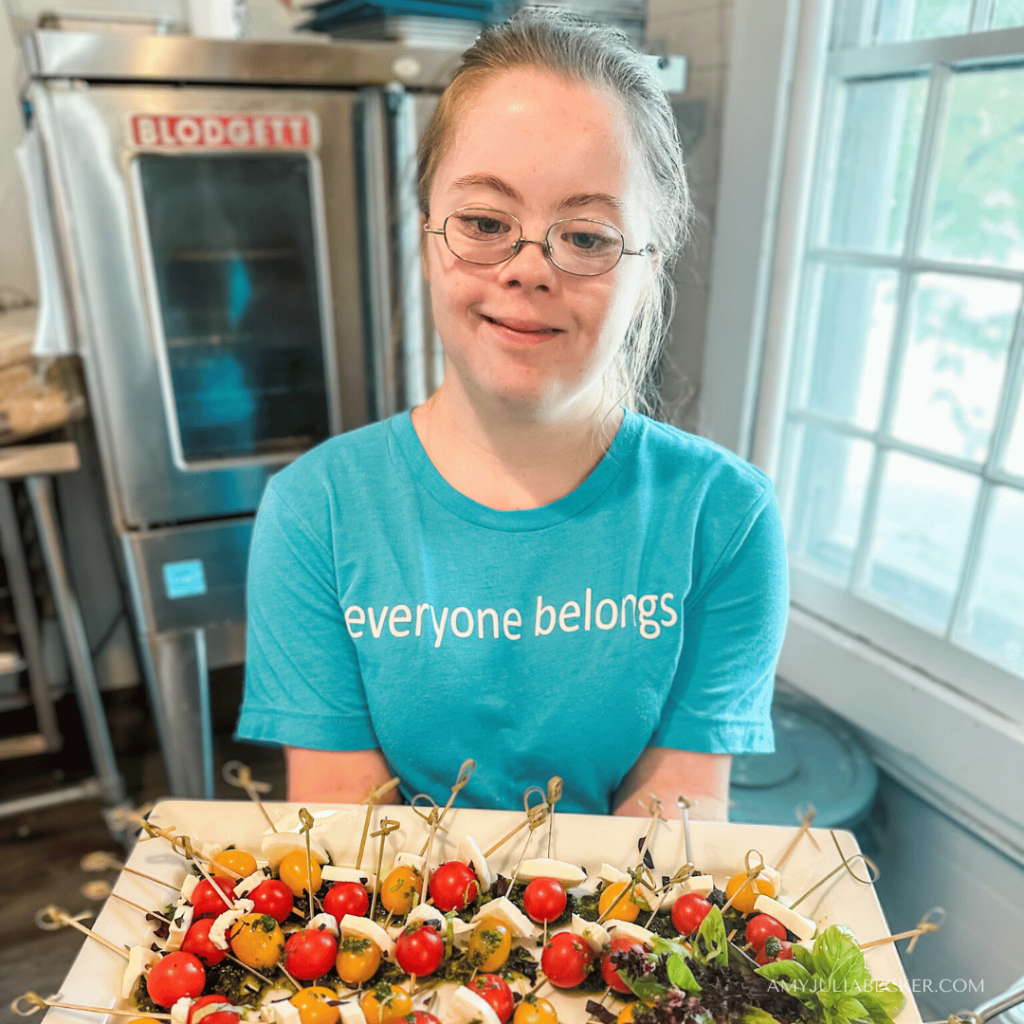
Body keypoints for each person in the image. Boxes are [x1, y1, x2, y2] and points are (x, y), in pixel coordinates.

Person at [235, 7, 788, 821]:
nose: (529, 269)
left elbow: (671, 834)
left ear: (645, 274)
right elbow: (348, 841)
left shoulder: (723, 517)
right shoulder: (315, 512)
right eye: (486, 224)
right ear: (428, 235)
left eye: (589, 237)